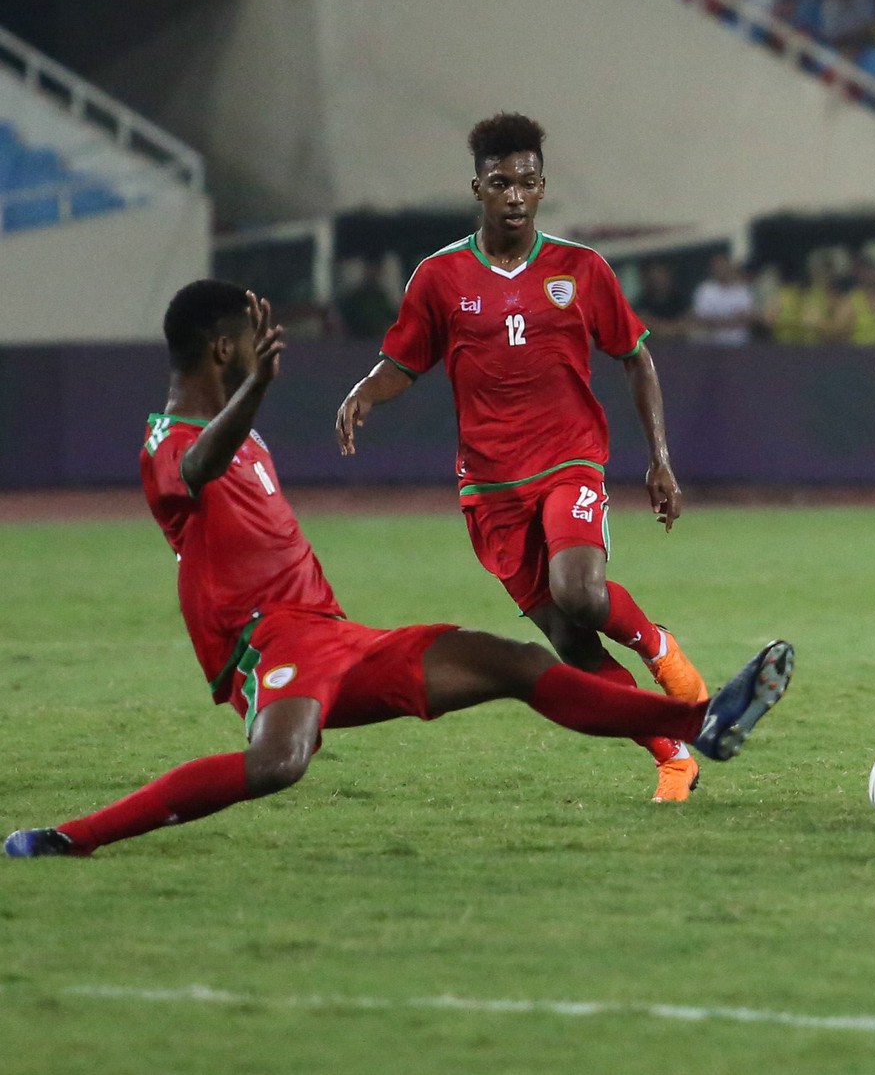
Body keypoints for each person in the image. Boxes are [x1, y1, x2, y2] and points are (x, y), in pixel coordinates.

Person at [3, 282, 792, 860]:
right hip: (271, 645)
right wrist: (254, 389)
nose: (259, 349)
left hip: (336, 637)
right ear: (224, 352)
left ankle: (700, 726)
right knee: (280, 762)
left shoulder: (235, 433)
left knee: (513, 661)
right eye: (250, 339)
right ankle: (76, 837)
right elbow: (199, 466)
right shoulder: (169, 441)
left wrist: (249, 397)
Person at [332, 113, 709, 804]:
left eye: (527, 183)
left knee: (580, 591)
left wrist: (659, 457)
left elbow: (636, 357)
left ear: (542, 189)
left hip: (570, 461)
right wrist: (365, 392)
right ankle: (672, 753)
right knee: (572, 643)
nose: (514, 195)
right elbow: (403, 361)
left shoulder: (581, 269)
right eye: (501, 183)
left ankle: (658, 646)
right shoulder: (439, 277)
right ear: (478, 187)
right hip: (490, 487)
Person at [688, 251, 760, 346]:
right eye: (717, 267)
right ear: (712, 269)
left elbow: (748, 319)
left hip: (738, 344)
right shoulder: (704, 290)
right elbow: (700, 319)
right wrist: (731, 320)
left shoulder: (742, 291)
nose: (720, 269)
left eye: (723, 266)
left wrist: (716, 320)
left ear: (729, 267)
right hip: (710, 346)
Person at [335, 256, 399, 342]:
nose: (373, 274)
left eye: (375, 271)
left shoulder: (380, 296)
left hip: (375, 339)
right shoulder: (355, 296)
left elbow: (390, 315)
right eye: (370, 271)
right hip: (355, 338)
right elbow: (346, 315)